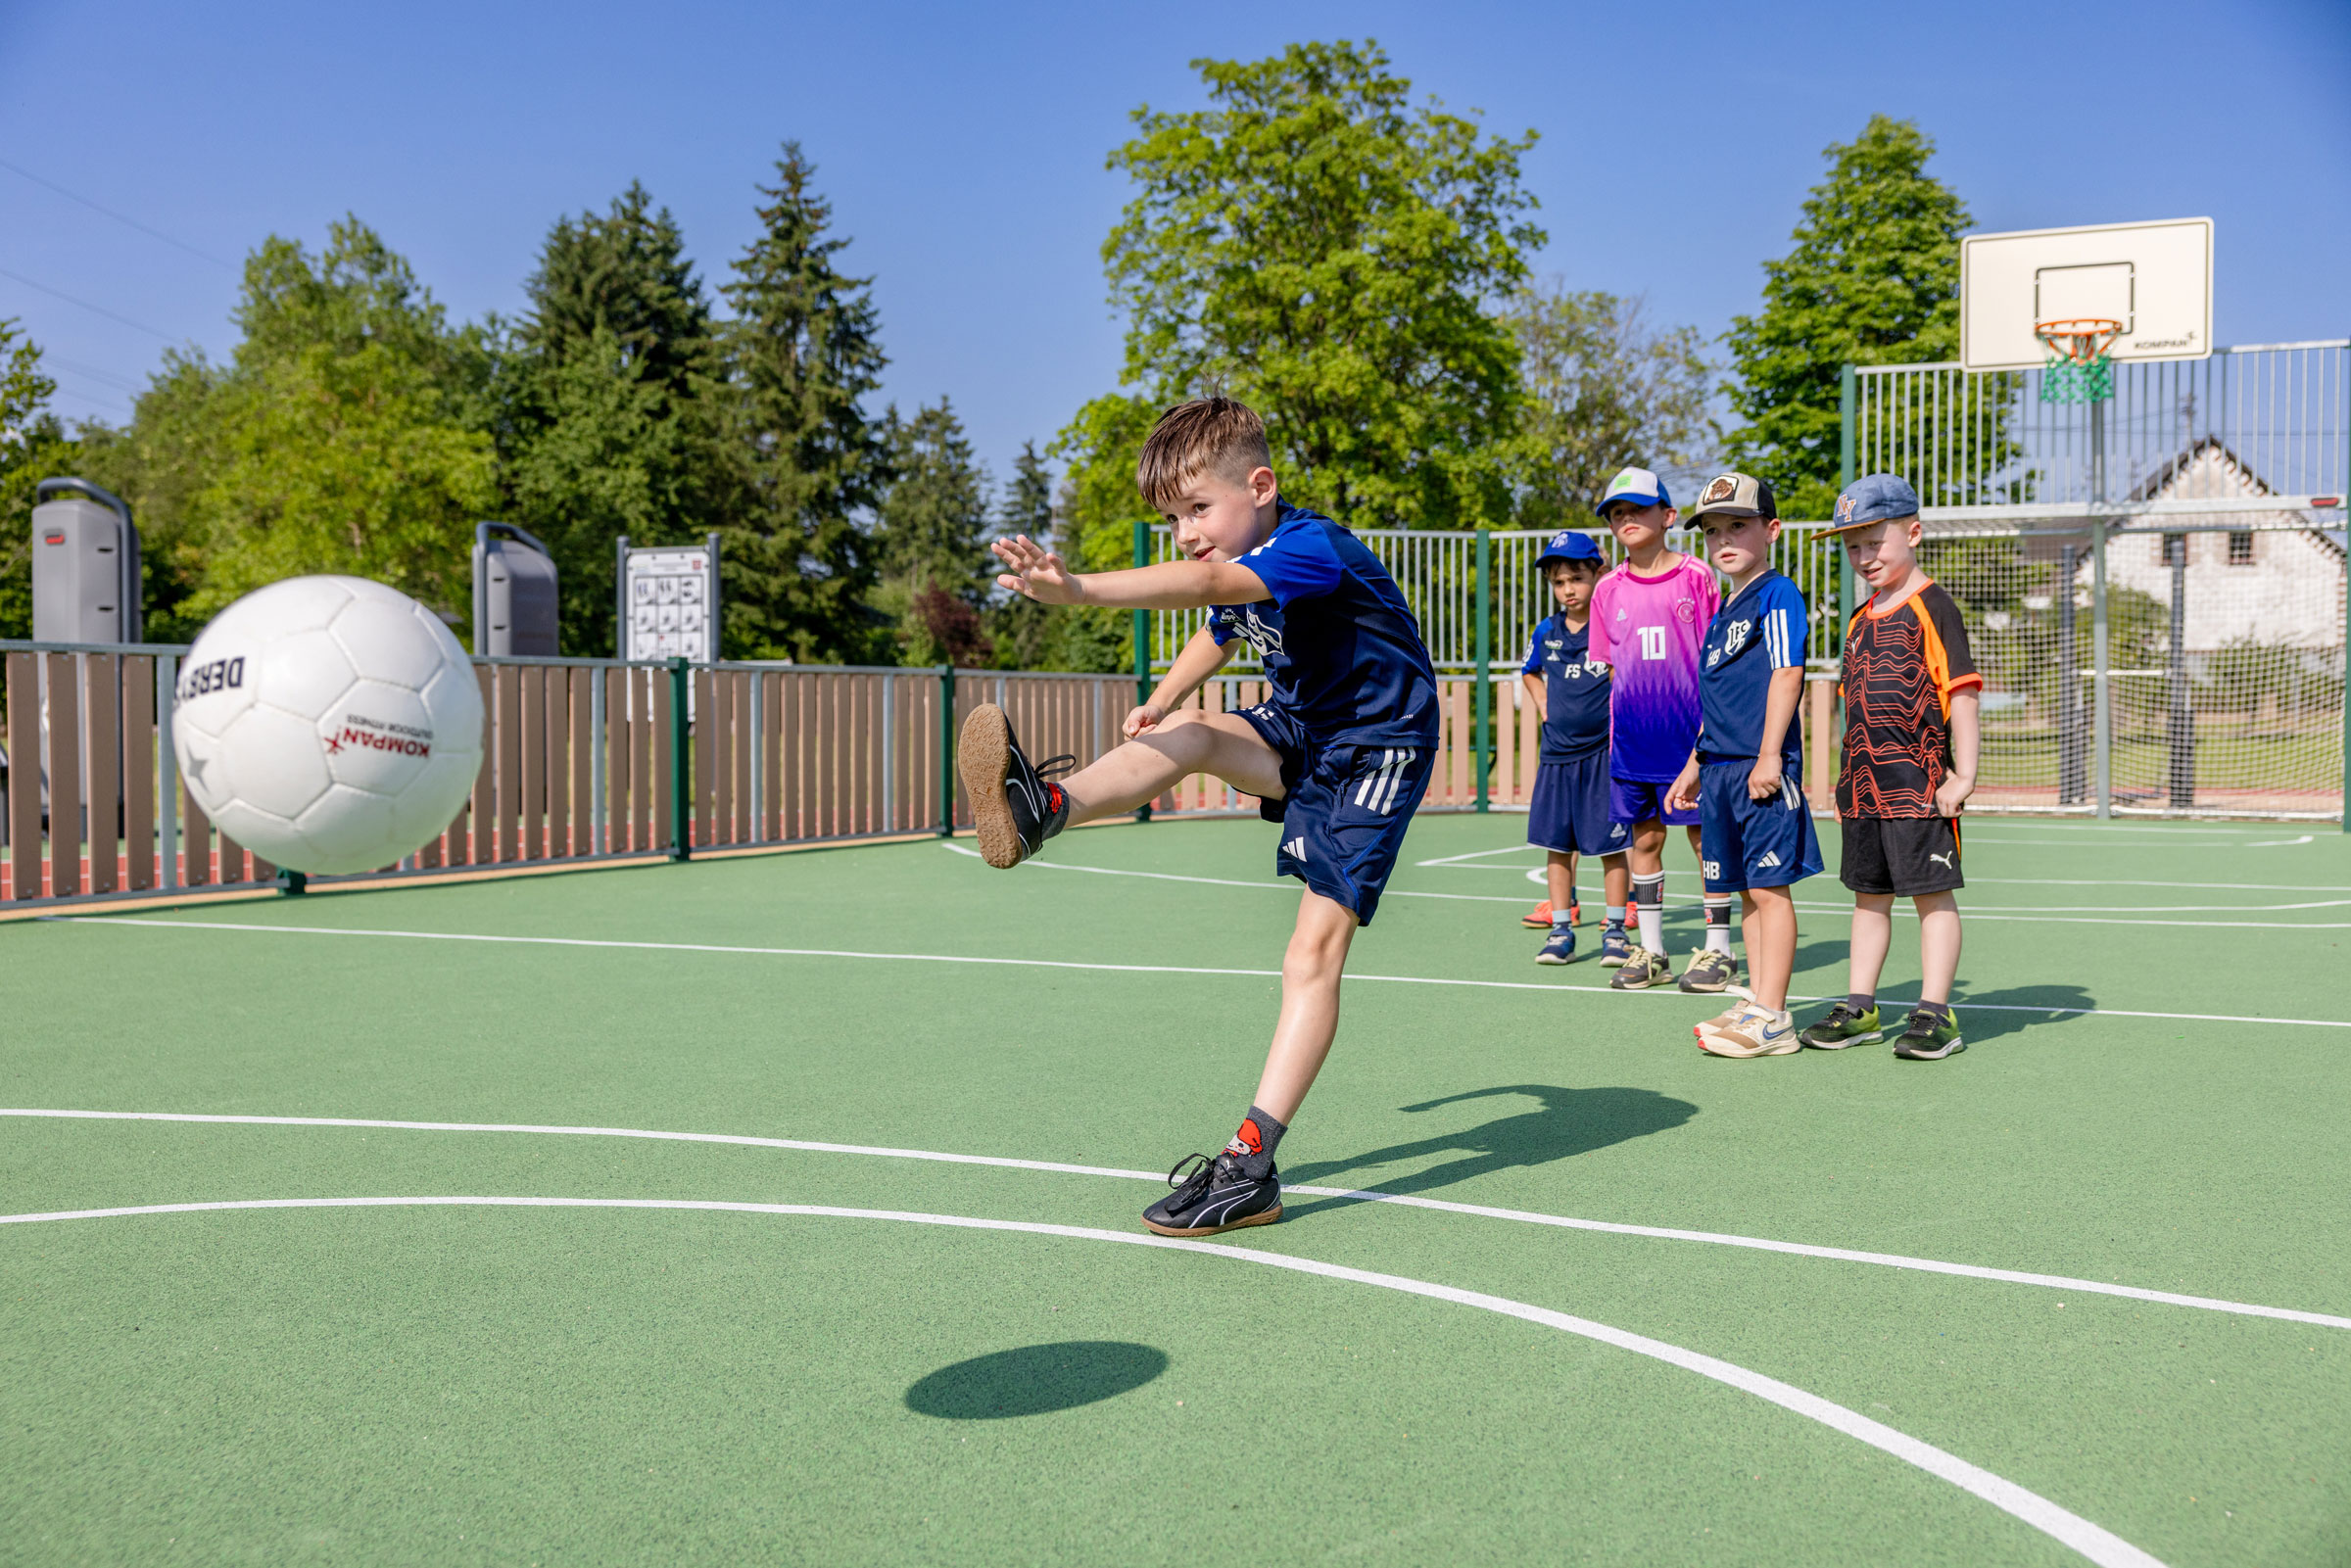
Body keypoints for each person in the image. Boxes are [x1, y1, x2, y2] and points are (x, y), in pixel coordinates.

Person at [960, 396, 1438, 1235]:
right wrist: (1162, 696)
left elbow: (1214, 586)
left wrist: (1078, 590)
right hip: (1306, 728)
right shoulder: (1248, 548)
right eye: (1172, 515)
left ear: (1260, 485)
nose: (1183, 531)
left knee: (1309, 954)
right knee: (1189, 734)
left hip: (1377, 746)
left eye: (1197, 508)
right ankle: (1042, 809)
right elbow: (1219, 627)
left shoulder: (1309, 547)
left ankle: (1252, 1163)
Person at [1798, 474, 1981, 1060]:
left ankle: (1935, 1012)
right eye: (1853, 546)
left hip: (1921, 787)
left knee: (1933, 897)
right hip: (1864, 790)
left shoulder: (1934, 606)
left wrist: (1964, 776)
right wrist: (1842, 777)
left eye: (1875, 541)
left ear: (1914, 532)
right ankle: (1861, 1005)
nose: (1864, 556)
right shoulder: (1857, 618)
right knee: (1868, 898)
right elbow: (1853, 706)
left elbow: (1964, 695)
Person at [1665, 473, 1823, 1058]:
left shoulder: (1777, 594)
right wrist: (1694, 764)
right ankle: (1759, 998)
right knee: (1746, 892)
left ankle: (1775, 1017)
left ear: (1772, 530)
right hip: (1722, 770)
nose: (1723, 539)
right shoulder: (1722, 609)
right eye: (1712, 531)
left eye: (1738, 525)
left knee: (1770, 887)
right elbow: (1720, 700)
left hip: (1761, 770)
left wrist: (1769, 756)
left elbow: (1787, 673)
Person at [1586, 467, 1737, 992]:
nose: (1626, 519)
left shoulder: (1697, 577)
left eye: (1637, 509)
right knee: (1643, 842)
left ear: (1668, 517)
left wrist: (1708, 736)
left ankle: (1718, 950)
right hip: (1632, 744)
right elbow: (1611, 667)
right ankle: (1652, 951)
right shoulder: (1606, 590)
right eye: (1616, 513)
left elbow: (1717, 661)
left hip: (1689, 744)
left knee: (1704, 840)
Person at [1517, 530, 1625, 964]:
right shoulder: (1546, 631)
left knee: (1611, 847)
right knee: (1558, 847)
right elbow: (1529, 671)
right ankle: (1561, 930)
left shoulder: (1613, 627)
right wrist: (1544, 704)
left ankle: (1616, 930)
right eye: (1559, 582)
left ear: (1598, 574)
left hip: (1603, 756)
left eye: (1576, 579)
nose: (1568, 590)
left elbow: (1628, 673)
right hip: (1557, 757)